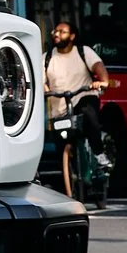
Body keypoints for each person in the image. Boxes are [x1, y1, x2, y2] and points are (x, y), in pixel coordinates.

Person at [43, 18, 113, 200]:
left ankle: (98, 154)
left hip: (83, 97)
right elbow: (41, 79)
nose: (57, 34)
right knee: (61, 146)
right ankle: (70, 178)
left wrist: (102, 81)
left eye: (62, 32)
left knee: (88, 113)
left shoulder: (83, 52)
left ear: (72, 36)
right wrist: (45, 89)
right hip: (60, 108)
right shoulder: (47, 57)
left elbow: (99, 67)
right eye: (55, 31)